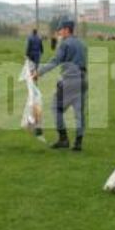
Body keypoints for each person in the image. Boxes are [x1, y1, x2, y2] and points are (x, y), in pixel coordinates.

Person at [34, 19, 87, 151]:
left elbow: (55, 61)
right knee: (79, 113)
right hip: (83, 80)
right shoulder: (82, 43)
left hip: (70, 80)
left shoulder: (65, 44)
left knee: (56, 108)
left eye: (60, 29)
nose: (59, 32)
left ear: (67, 30)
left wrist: (38, 72)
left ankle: (63, 139)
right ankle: (78, 142)